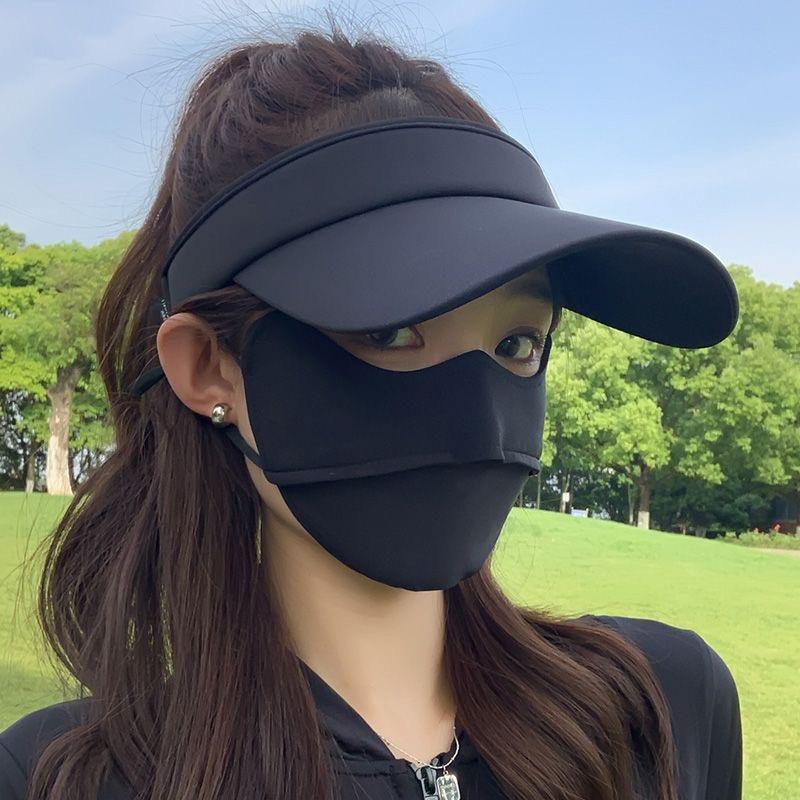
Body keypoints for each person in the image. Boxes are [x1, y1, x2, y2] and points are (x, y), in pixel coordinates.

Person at [0, 18, 742, 800]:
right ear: (209, 368)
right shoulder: (66, 780)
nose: (482, 424)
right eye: (391, 331)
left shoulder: (661, 712)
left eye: (519, 342)